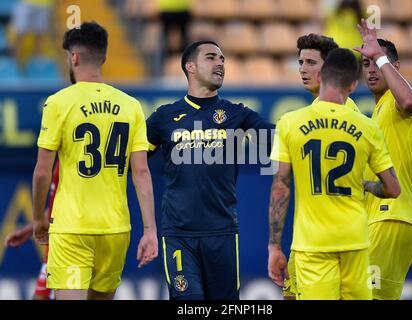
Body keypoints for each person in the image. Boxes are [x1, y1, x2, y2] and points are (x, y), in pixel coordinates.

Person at [32, 22, 158, 300]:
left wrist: (37, 217)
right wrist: (150, 229)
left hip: (73, 227)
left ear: (73, 57)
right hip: (116, 229)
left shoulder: (58, 102)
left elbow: (42, 172)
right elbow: (141, 173)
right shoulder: (131, 105)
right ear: (104, 57)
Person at [268, 48, 401, 300]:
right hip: (355, 241)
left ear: (321, 77)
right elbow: (393, 188)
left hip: (312, 244)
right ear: (352, 85)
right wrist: (366, 185)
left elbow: (280, 187)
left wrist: (274, 246)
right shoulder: (367, 126)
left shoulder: (289, 122)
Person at [146, 40, 274, 300]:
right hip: (179, 235)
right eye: (211, 57)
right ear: (190, 67)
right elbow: (131, 159)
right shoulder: (164, 117)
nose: (220, 63)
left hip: (223, 234)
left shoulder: (237, 115)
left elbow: (279, 140)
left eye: (223, 59)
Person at [282, 33, 361, 299]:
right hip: (307, 239)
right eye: (300, 62)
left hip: (336, 244)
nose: (303, 69)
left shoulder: (349, 118)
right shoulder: (316, 111)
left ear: (329, 69)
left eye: (310, 63)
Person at [354, 19, 412, 300]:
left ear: (393, 67)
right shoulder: (378, 111)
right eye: (366, 64)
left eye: (376, 63)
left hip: (391, 216)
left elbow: (410, 102)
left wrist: (379, 55)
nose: (371, 70)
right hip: (386, 218)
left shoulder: (398, 105)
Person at [5, 161, 59, 300]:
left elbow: (41, 173)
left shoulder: (75, 159)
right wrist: (30, 228)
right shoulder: (64, 158)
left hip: (68, 248)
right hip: (57, 250)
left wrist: (38, 221)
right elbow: (62, 206)